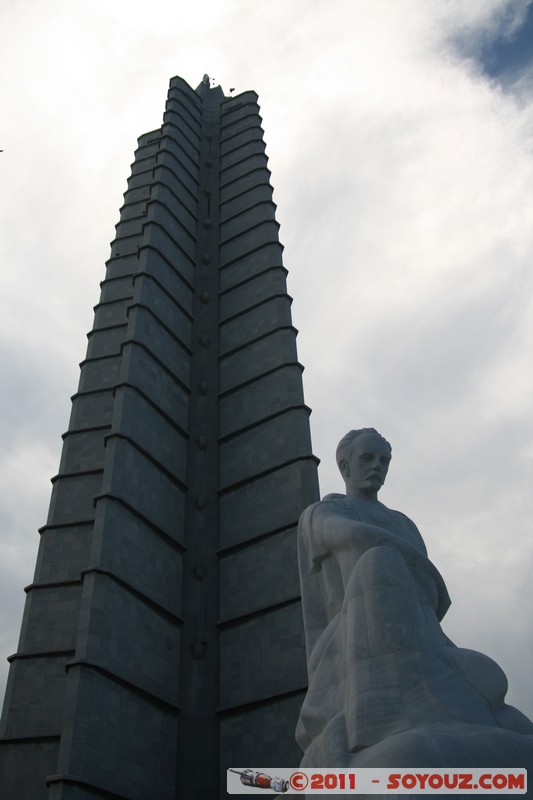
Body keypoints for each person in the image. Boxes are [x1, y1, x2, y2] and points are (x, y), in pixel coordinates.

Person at [296, 428, 533, 770]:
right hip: (351, 637)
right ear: (345, 467)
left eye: (384, 460)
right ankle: (378, 718)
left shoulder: (402, 523)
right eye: (367, 458)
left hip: (418, 630)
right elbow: (353, 537)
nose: (377, 466)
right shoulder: (322, 513)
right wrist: (407, 563)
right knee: (379, 562)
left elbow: (433, 594)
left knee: (488, 691)